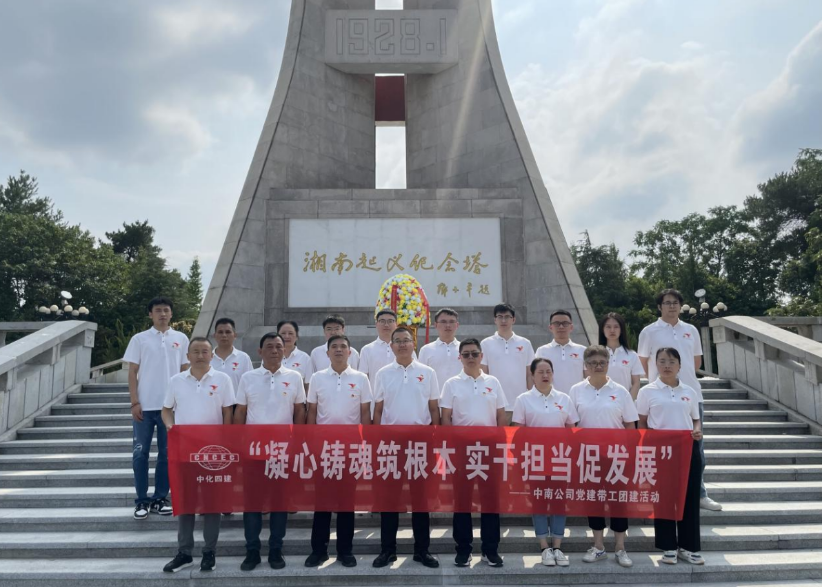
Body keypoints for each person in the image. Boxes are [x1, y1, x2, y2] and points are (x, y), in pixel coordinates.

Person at [637, 288, 721, 511]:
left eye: (675, 302)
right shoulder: (649, 331)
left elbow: (696, 361)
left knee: (696, 450)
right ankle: (657, 493)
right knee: (659, 450)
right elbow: (642, 362)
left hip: (690, 395)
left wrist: (682, 381)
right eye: (667, 302)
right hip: (659, 398)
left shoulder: (690, 330)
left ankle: (699, 494)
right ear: (659, 306)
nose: (672, 306)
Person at [161, 337, 235, 573]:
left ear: (212, 355)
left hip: (213, 454)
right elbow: (166, 410)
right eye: (196, 351)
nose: (200, 355)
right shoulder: (176, 380)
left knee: (212, 503)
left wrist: (226, 442)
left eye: (205, 351)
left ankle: (209, 551)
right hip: (185, 452)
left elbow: (228, 412)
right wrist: (170, 426)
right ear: (188, 356)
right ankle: (184, 552)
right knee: (186, 502)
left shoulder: (223, 379)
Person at [234, 333, 306, 571]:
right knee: (252, 503)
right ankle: (252, 551)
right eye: (269, 347)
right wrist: (238, 442)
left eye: (279, 347)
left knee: (279, 502)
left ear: (285, 350)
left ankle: (276, 549)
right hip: (253, 451)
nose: (275, 350)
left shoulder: (294, 377)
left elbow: (299, 411)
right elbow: (240, 412)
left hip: (282, 451)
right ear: (259, 351)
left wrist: (297, 441)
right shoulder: (248, 378)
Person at [371, 327, 440, 569]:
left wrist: (435, 439)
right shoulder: (383, 373)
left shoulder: (427, 372)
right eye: (397, 341)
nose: (402, 344)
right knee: (389, 499)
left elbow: (434, 408)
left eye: (406, 340)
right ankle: (387, 550)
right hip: (391, 443)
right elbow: (378, 409)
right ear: (391, 346)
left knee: (420, 499)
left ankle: (422, 550)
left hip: (420, 442)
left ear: (414, 344)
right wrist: (377, 442)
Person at [305, 335, 372, 568]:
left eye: (343, 346)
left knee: (346, 502)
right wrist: (311, 444)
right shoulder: (317, 378)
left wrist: (365, 445)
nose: (339, 350)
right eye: (334, 347)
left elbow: (365, 413)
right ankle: (319, 550)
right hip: (324, 448)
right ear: (327, 353)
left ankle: (345, 550)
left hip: (351, 447)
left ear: (350, 352)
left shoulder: (361, 378)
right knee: (322, 502)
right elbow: (312, 412)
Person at [569, 345, 638, 569]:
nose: (598, 366)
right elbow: (571, 424)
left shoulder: (621, 391)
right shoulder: (576, 390)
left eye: (602, 362)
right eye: (593, 363)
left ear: (608, 364)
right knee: (593, 500)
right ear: (585, 366)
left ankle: (620, 547)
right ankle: (598, 546)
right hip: (588, 456)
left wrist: (631, 454)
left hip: (616, 456)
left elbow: (630, 425)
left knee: (618, 501)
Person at [441, 338, 507, 568]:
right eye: (466, 354)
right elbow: (446, 417)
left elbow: (501, 415)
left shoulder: (493, 382)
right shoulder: (451, 384)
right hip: (462, 448)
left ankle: (490, 549)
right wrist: (450, 447)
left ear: (481, 356)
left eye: (474, 353)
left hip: (488, 448)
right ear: (459, 357)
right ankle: (463, 550)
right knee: (462, 501)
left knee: (491, 500)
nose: (471, 358)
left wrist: (499, 444)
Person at [123, 296, 189, 520]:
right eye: (158, 310)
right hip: (145, 407)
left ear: (171, 314)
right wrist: (134, 402)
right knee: (140, 454)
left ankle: (160, 498)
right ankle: (141, 500)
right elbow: (132, 372)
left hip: (169, 408)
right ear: (150, 314)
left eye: (166, 310)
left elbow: (185, 372)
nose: (162, 314)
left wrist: (182, 403)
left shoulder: (181, 338)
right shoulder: (139, 339)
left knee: (166, 455)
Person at [637, 347, 704, 566]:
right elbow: (642, 421)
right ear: (655, 364)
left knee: (690, 498)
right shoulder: (647, 391)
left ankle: (689, 546)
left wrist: (697, 430)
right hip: (660, 452)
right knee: (663, 499)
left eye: (672, 361)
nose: (667, 365)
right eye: (662, 361)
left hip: (687, 450)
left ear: (680, 365)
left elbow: (695, 418)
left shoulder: (689, 391)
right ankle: (668, 546)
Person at [511, 358, 578, 568]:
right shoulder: (523, 399)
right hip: (535, 460)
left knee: (559, 502)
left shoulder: (564, 398)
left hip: (560, 459)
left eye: (548, 371)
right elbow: (518, 432)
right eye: (540, 372)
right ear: (532, 375)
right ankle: (544, 547)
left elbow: (571, 430)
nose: (545, 375)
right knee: (539, 502)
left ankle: (557, 547)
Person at [480, 303, 535, 416]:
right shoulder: (486, 344)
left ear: (513, 319)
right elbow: (483, 374)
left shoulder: (525, 343)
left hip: (520, 404)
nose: (503, 320)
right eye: (500, 317)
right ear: (495, 320)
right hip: (495, 405)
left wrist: (531, 398)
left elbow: (530, 374)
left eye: (507, 317)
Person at [535, 310, 587, 396]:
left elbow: (589, 377)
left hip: (577, 398)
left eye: (565, 323)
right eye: (557, 323)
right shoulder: (542, 351)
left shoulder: (582, 350)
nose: (561, 327)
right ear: (550, 327)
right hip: (551, 398)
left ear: (571, 327)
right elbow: (537, 377)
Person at [359, 309, 413, 388]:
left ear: (396, 324)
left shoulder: (405, 348)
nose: (386, 325)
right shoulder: (367, 350)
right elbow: (363, 378)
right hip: (376, 394)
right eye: (382, 321)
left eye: (390, 321)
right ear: (376, 324)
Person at [598, 313, 644, 400]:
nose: (612, 330)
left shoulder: (632, 355)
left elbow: (636, 383)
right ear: (602, 330)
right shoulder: (596, 355)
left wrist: (628, 403)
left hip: (624, 402)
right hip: (601, 402)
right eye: (608, 327)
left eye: (616, 327)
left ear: (621, 330)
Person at [418, 308, 462, 393]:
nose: (448, 325)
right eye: (443, 322)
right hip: (435, 398)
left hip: (461, 397)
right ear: (435, 325)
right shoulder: (426, 350)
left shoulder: (465, 350)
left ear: (457, 325)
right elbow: (421, 377)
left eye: (451, 322)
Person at [210, 317, 253, 391]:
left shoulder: (243, 358)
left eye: (228, 332)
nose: (224, 335)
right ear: (214, 335)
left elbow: (250, 383)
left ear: (235, 335)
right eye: (220, 332)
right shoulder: (207, 358)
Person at [277, 320, 312, 389]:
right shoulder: (270, 356)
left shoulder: (305, 358)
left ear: (296, 336)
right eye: (283, 333)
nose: (287, 336)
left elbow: (308, 385)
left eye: (290, 333)